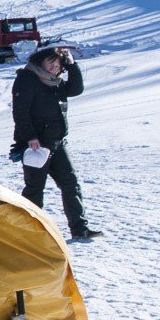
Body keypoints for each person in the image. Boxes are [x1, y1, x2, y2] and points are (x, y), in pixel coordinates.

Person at [11, 45, 102, 241]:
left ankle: (80, 229)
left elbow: (76, 89)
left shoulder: (55, 82)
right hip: (36, 146)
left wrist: (72, 65)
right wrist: (29, 137)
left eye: (57, 64)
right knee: (35, 189)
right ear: (40, 61)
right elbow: (20, 112)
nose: (54, 67)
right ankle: (29, 232)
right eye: (50, 63)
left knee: (71, 185)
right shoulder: (27, 80)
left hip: (58, 142)